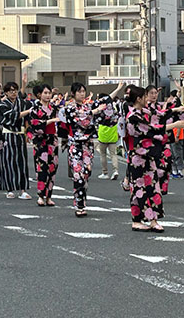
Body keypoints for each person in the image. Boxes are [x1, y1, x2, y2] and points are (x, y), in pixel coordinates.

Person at [125, 86, 184, 232]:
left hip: (149, 155)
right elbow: (151, 129)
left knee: (153, 187)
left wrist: (177, 110)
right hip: (138, 157)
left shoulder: (144, 111)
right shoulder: (133, 116)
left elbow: (159, 114)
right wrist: (174, 125)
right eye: (145, 96)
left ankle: (153, 220)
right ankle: (137, 220)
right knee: (139, 189)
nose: (148, 98)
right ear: (139, 99)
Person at [63, 82, 109, 217]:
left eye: (83, 91)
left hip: (88, 144)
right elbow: (80, 118)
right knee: (78, 174)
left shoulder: (88, 105)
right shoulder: (70, 107)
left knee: (86, 172)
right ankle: (79, 205)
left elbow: (104, 103)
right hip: (75, 144)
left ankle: (82, 196)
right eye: (79, 92)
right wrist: (94, 112)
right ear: (73, 93)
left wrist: (117, 89)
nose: (82, 94)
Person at [27, 84, 60, 207]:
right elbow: (34, 124)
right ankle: (41, 195)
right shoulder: (35, 109)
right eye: (45, 93)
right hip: (41, 141)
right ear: (39, 94)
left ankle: (49, 196)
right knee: (42, 167)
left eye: (49, 93)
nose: (47, 95)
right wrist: (50, 121)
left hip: (52, 140)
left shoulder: (54, 108)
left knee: (52, 167)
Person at [0, 82, 32, 200]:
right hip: (8, 135)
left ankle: (23, 189)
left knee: (22, 162)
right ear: (6, 93)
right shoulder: (2, 104)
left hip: (20, 135)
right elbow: (12, 116)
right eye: (11, 90)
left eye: (15, 90)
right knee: (9, 161)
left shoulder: (23, 103)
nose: (13, 92)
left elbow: (28, 119)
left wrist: (28, 133)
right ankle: (10, 189)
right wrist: (27, 112)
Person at [96, 85, 124, 181]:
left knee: (103, 154)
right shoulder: (114, 108)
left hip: (103, 133)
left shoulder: (99, 109)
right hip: (113, 133)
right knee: (113, 154)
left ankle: (105, 173)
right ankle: (115, 170)